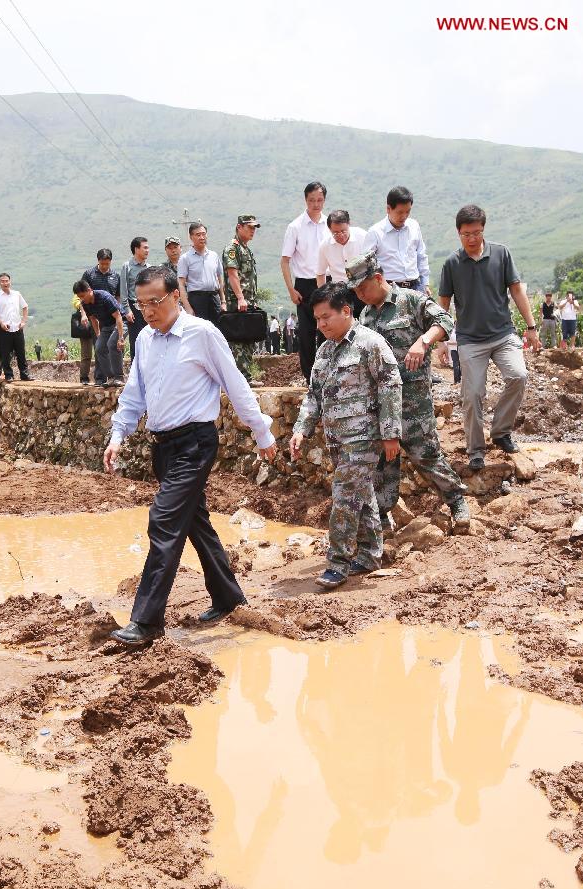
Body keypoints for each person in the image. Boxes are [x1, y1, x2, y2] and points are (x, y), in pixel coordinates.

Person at [104, 265, 276, 647]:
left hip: (195, 443)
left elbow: (236, 383)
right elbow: (135, 394)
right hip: (162, 446)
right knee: (194, 521)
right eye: (141, 303)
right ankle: (228, 596)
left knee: (163, 520)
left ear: (175, 296)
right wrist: (118, 435)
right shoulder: (145, 339)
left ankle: (146, 622)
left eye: (155, 302)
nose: (148, 310)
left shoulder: (202, 334)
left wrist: (261, 430)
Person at [348, 251, 470, 533]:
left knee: (426, 456)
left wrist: (423, 341)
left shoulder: (410, 300)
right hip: (381, 405)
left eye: (362, 288)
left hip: (413, 401)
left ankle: (456, 500)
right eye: (355, 290)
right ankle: (381, 519)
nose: (359, 294)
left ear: (378, 279)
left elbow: (444, 320)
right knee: (382, 463)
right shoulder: (365, 315)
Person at [290, 281, 402, 589]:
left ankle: (337, 564)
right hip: (336, 439)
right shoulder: (325, 351)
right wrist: (301, 429)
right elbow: (313, 395)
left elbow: (390, 388)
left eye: (326, 317)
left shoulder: (370, 343)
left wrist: (391, 434)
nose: (321, 324)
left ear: (346, 311)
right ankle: (369, 555)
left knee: (344, 495)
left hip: (364, 438)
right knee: (361, 495)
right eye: (317, 319)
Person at [439, 205, 539, 470]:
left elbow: (517, 291)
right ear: (458, 233)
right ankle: (475, 450)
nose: (472, 239)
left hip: (503, 333)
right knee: (472, 395)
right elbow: (444, 304)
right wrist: (441, 341)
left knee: (519, 376)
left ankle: (501, 431)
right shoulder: (452, 263)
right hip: (470, 339)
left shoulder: (502, 254)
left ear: (483, 229)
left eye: (477, 233)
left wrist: (531, 326)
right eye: (466, 234)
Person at [281, 181, 329, 383]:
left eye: (319, 200)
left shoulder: (329, 224)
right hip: (305, 285)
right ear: (305, 200)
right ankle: (310, 377)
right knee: (307, 333)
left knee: (328, 330)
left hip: (327, 283)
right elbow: (285, 261)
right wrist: (291, 289)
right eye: (312, 200)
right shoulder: (295, 227)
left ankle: (328, 373)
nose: (316, 204)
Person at [363, 186, 430, 293]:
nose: (404, 216)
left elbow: (421, 256)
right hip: (389, 289)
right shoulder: (375, 232)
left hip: (415, 287)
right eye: (400, 212)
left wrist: (425, 283)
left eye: (408, 212)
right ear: (388, 209)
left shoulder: (414, 226)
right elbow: (366, 265)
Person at [222, 215, 260, 382]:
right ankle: (240, 379)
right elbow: (232, 273)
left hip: (248, 300)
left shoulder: (246, 248)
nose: (253, 231)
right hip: (237, 301)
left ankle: (246, 377)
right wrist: (240, 298)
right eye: (249, 227)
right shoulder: (233, 248)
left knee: (248, 338)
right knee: (238, 341)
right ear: (239, 227)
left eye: (254, 228)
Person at [73, 281, 126, 386]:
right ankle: (110, 378)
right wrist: (98, 335)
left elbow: (118, 316)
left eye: (83, 296)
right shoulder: (85, 304)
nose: (82, 299)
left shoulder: (104, 297)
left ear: (89, 290)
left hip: (120, 322)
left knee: (112, 344)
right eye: (80, 297)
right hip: (106, 326)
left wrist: (121, 338)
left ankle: (119, 377)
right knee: (99, 348)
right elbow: (93, 320)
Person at [178, 221, 225, 323]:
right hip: (197, 299)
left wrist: (223, 301)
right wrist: (188, 307)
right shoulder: (185, 258)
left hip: (214, 298)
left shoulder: (214, 255)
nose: (202, 237)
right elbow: (181, 285)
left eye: (204, 234)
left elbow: (220, 279)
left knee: (217, 329)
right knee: (200, 330)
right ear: (191, 237)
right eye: (198, 235)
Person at [0, 273, 33, 382]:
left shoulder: (16, 294)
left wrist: (23, 321)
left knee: (21, 353)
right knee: (5, 353)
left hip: (17, 328)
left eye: (7, 281)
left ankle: (24, 375)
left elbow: (25, 307)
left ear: (10, 281)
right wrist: (1, 323)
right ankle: (9, 375)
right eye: (2, 281)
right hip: (5, 329)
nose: (5, 283)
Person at [120, 237, 149, 361]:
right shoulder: (127, 266)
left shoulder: (149, 268)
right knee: (136, 341)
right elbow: (123, 290)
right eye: (145, 247)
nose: (148, 250)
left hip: (148, 307)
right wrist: (127, 310)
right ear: (136, 249)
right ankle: (135, 375)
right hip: (134, 308)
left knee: (149, 339)